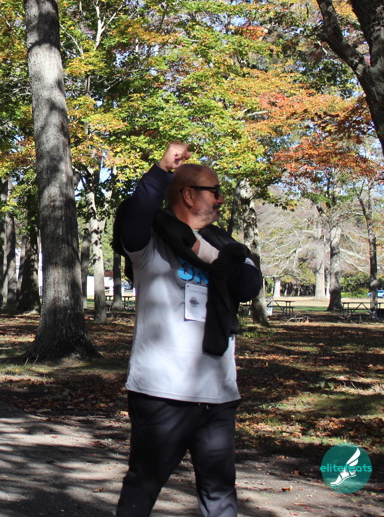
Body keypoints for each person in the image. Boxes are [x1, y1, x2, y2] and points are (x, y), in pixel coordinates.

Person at [115, 142, 262, 517]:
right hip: (162, 394)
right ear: (188, 194)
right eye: (214, 191)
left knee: (220, 493)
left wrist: (206, 251)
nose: (221, 199)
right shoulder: (149, 246)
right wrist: (162, 169)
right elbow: (137, 214)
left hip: (219, 395)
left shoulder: (229, 246)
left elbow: (248, 285)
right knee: (143, 487)